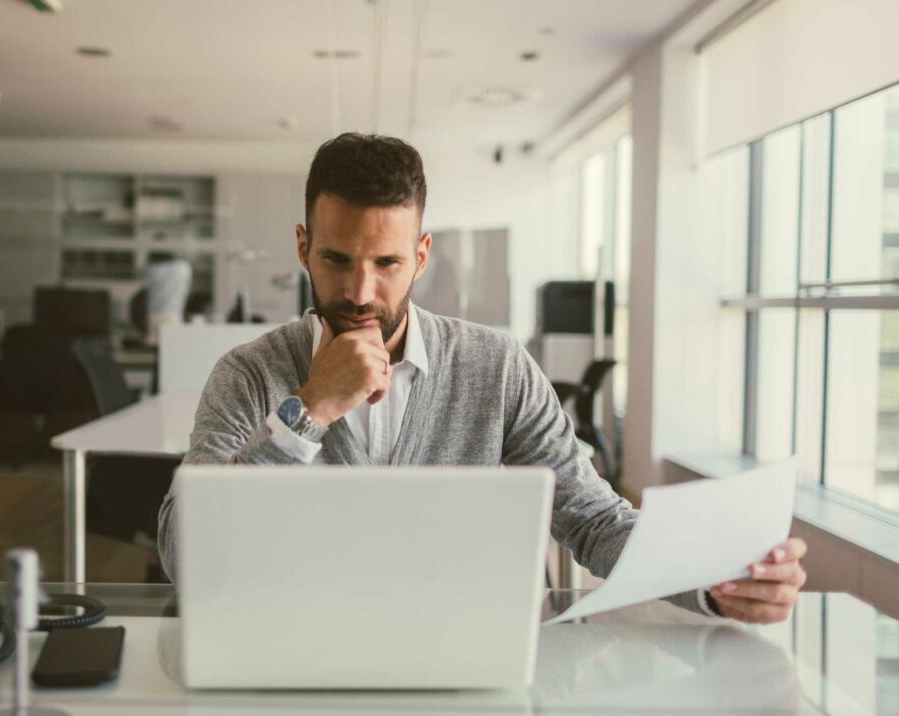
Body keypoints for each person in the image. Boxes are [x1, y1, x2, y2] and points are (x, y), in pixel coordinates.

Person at [157, 132, 806, 624]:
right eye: (335, 258)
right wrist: (307, 411)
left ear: (420, 256)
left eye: (386, 262)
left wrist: (714, 578)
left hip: (462, 653)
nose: (360, 291)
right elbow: (187, 556)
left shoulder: (494, 367)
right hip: (289, 648)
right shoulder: (248, 374)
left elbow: (588, 518)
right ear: (302, 247)